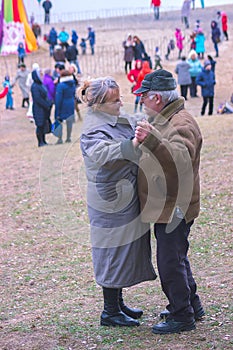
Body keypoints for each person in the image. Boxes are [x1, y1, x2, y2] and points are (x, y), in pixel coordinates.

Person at [79, 76, 157, 327]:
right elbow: (103, 153)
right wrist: (133, 142)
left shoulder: (113, 118)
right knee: (111, 252)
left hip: (123, 197)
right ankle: (109, 311)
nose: (120, 103)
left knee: (123, 250)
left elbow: (132, 124)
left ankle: (118, 304)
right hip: (108, 202)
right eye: (115, 100)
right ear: (100, 104)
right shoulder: (93, 128)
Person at [133, 69, 204, 334]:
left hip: (174, 206)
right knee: (177, 257)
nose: (141, 101)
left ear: (157, 98)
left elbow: (179, 161)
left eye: (143, 96)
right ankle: (191, 305)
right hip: (170, 204)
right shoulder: (167, 117)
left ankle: (181, 315)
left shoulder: (180, 122)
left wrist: (150, 139)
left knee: (170, 262)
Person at [31, 69, 52, 147]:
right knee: (39, 125)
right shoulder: (34, 86)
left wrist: (49, 102)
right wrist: (46, 104)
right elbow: (38, 98)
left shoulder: (41, 85)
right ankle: (40, 142)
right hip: (38, 109)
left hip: (43, 108)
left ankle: (44, 140)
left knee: (43, 124)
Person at [54, 70, 76, 144]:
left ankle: (60, 138)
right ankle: (68, 137)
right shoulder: (73, 84)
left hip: (63, 104)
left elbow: (58, 98)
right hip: (71, 103)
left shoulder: (60, 86)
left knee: (59, 121)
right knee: (69, 122)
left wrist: (57, 107)